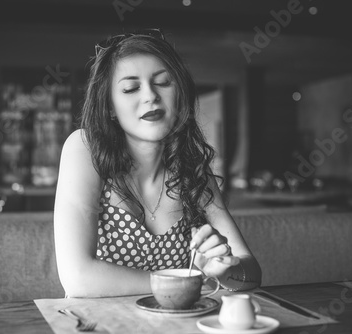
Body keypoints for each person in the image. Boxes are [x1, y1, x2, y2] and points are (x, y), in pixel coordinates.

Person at [54, 29, 261, 297]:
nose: (150, 95)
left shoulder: (193, 170)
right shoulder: (84, 148)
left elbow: (251, 275)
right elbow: (77, 278)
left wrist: (224, 270)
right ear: (109, 108)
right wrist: (189, 282)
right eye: (131, 88)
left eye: (163, 82)